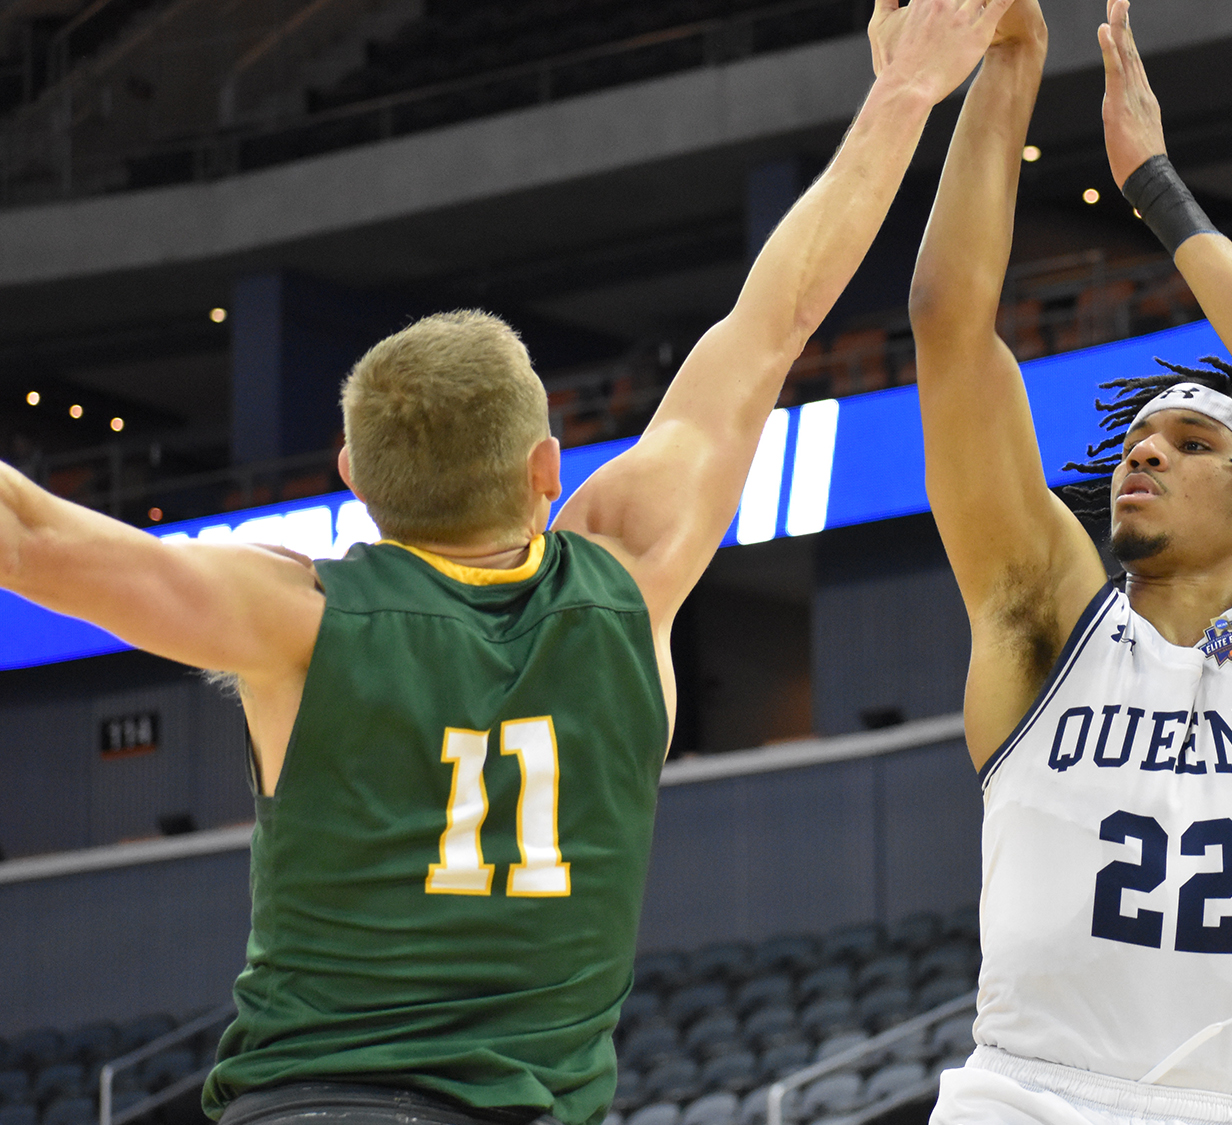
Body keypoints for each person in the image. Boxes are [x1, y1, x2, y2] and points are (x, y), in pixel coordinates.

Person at [0, 5, 1016, 1125]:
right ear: (547, 465)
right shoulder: (628, 577)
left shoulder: (299, 616)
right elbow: (775, 318)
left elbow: (34, 539)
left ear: (351, 474)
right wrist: (902, 96)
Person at [908, 1, 1232, 1121]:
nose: (1146, 455)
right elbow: (946, 320)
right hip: (1018, 1097)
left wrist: (1155, 189)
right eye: (1134, 443)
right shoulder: (1044, 617)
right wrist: (1009, 64)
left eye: (1191, 443)